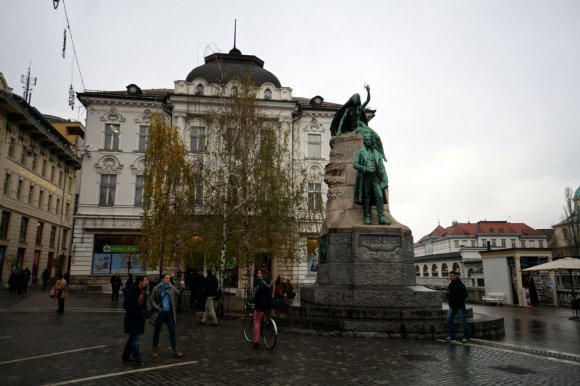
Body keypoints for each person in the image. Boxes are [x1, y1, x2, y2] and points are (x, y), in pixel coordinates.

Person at [329, 85, 385, 159]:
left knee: (376, 137)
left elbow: (367, 100)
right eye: (356, 98)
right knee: (369, 137)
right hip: (354, 129)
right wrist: (339, 130)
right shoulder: (348, 109)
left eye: (359, 98)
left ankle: (381, 154)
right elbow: (343, 120)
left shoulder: (359, 108)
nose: (358, 99)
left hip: (360, 126)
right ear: (353, 99)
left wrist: (368, 91)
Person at [352, 133, 390, 225]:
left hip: (375, 177)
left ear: (372, 141)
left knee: (380, 196)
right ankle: (367, 216)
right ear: (364, 141)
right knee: (367, 197)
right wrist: (365, 168)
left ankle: (381, 217)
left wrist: (385, 180)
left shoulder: (377, 153)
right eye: (367, 140)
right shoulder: (360, 152)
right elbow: (355, 164)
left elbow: (381, 167)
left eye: (370, 140)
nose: (368, 141)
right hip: (365, 177)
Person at [148, 274, 183, 358]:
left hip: (169, 313)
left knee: (172, 331)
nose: (168, 280)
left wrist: (182, 286)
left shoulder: (172, 287)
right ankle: (155, 349)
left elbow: (179, 294)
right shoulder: (157, 288)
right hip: (160, 313)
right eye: (166, 278)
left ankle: (175, 349)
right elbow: (151, 299)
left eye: (169, 278)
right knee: (157, 332)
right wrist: (156, 307)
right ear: (162, 279)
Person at [122, 275, 149, 365]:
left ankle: (125, 356)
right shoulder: (132, 291)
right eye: (145, 280)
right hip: (132, 319)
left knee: (132, 338)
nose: (147, 282)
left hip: (139, 319)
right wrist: (138, 312)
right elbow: (126, 305)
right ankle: (137, 359)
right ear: (140, 282)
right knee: (135, 339)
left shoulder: (143, 292)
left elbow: (143, 305)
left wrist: (146, 312)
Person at [445, 271, 470, 343]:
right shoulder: (450, 285)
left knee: (463, 322)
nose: (450, 278)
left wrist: (458, 300)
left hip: (460, 306)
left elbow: (465, 295)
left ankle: (466, 337)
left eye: (452, 276)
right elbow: (450, 295)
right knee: (449, 320)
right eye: (450, 276)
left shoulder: (461, 285)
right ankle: (452, 336)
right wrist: (449, 298)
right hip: (452, 306)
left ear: (456, 276)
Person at [252, 268, 273, 349]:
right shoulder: (270, 281)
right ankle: (266, 328)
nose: (258, 274)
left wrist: (253, 300)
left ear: (263, 274)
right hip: (268, 304)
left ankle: (256, 341)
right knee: (264, 319)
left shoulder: (261, 283)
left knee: (256, 321)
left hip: (260, 304)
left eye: (259, 273)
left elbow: (257, 294)